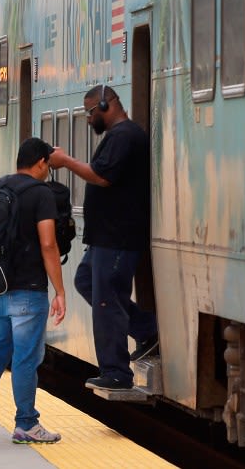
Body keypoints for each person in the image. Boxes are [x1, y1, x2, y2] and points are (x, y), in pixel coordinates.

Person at [0, 138, 67, 445]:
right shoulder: (41, 193)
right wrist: (59, 290)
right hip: (28, 291)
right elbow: (48, 243)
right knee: (25, 358)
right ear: (42, 163)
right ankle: (26, 424)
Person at [48, 84, 156, 391]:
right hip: (105, 238)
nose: (88, 119)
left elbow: (103, 176)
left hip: (118, 237)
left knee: (107, 300)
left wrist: (66, 161)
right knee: (86, 281)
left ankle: (117, 372)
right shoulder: (116, 136)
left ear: (106, 106)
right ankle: (147, 328)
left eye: (90, 112)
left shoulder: (125, 136)